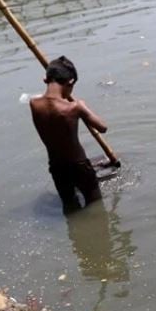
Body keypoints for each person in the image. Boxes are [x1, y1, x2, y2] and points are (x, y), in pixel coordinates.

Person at [30, 56, 108, 212]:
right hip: (79, 167)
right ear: (70, 83)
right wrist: (82, 106)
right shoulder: (74, 108)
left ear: (45, 80)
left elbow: (48, 101)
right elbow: (102, 127)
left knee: (69, 206)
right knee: (96, 207)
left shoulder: (34, 104)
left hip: (57, 167)